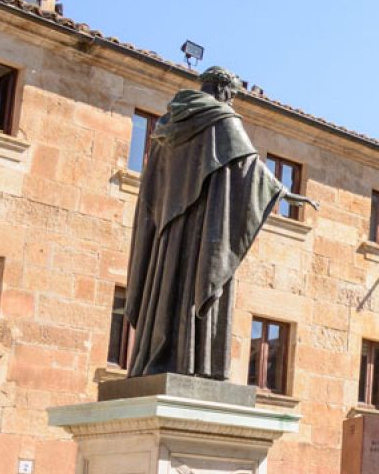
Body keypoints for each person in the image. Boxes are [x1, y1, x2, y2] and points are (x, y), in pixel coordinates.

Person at [125, 67, 316, 378]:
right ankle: (195, 365)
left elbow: (152, 188)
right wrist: (286, 193)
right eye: (235, 95)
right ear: (225, 89)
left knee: (167, 289)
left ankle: (157, 357)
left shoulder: (166, 126)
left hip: (168, 233)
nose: (234, 101)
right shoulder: (223, 120)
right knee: (202, 280)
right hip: (205, 231)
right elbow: (249, 167)